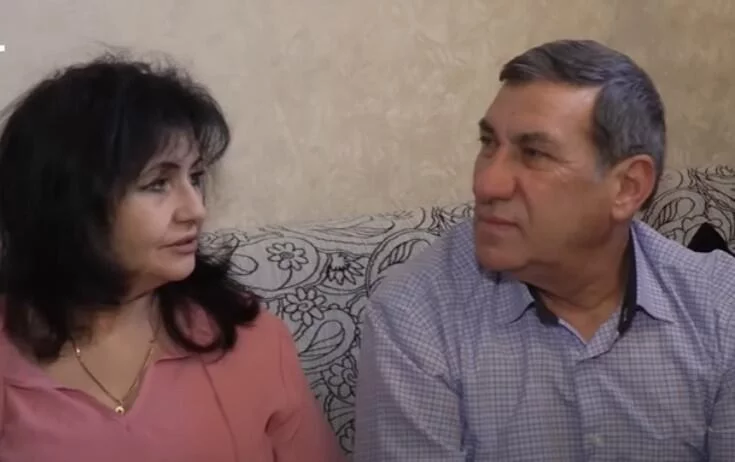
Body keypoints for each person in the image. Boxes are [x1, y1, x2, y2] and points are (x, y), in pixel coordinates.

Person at [354, 39, 735, 461]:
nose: (486, 184)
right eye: (488, 143)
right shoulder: (414, 317)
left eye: (534, 154)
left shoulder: (721, 306)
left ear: (628, 187)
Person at [0, 55, 344, 462]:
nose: (195, 209)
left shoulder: (254, 341)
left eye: (195, 178)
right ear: (68, 203)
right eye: (158, 183)